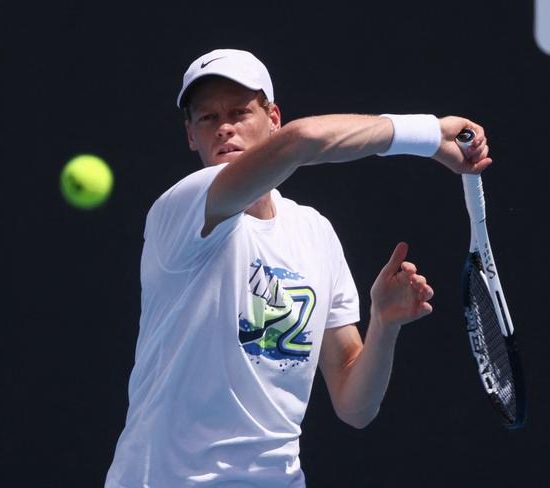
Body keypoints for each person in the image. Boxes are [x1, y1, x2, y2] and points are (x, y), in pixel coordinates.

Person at [105, 49, 491, 487]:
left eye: (239, 112)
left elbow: (354, 406)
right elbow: (302, 140)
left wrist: (383, 325)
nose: (225, 127)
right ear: (191, 135)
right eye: (207, 118)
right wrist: (425, 133)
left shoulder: (315, 234)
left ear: (272, 117)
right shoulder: (184, 206)